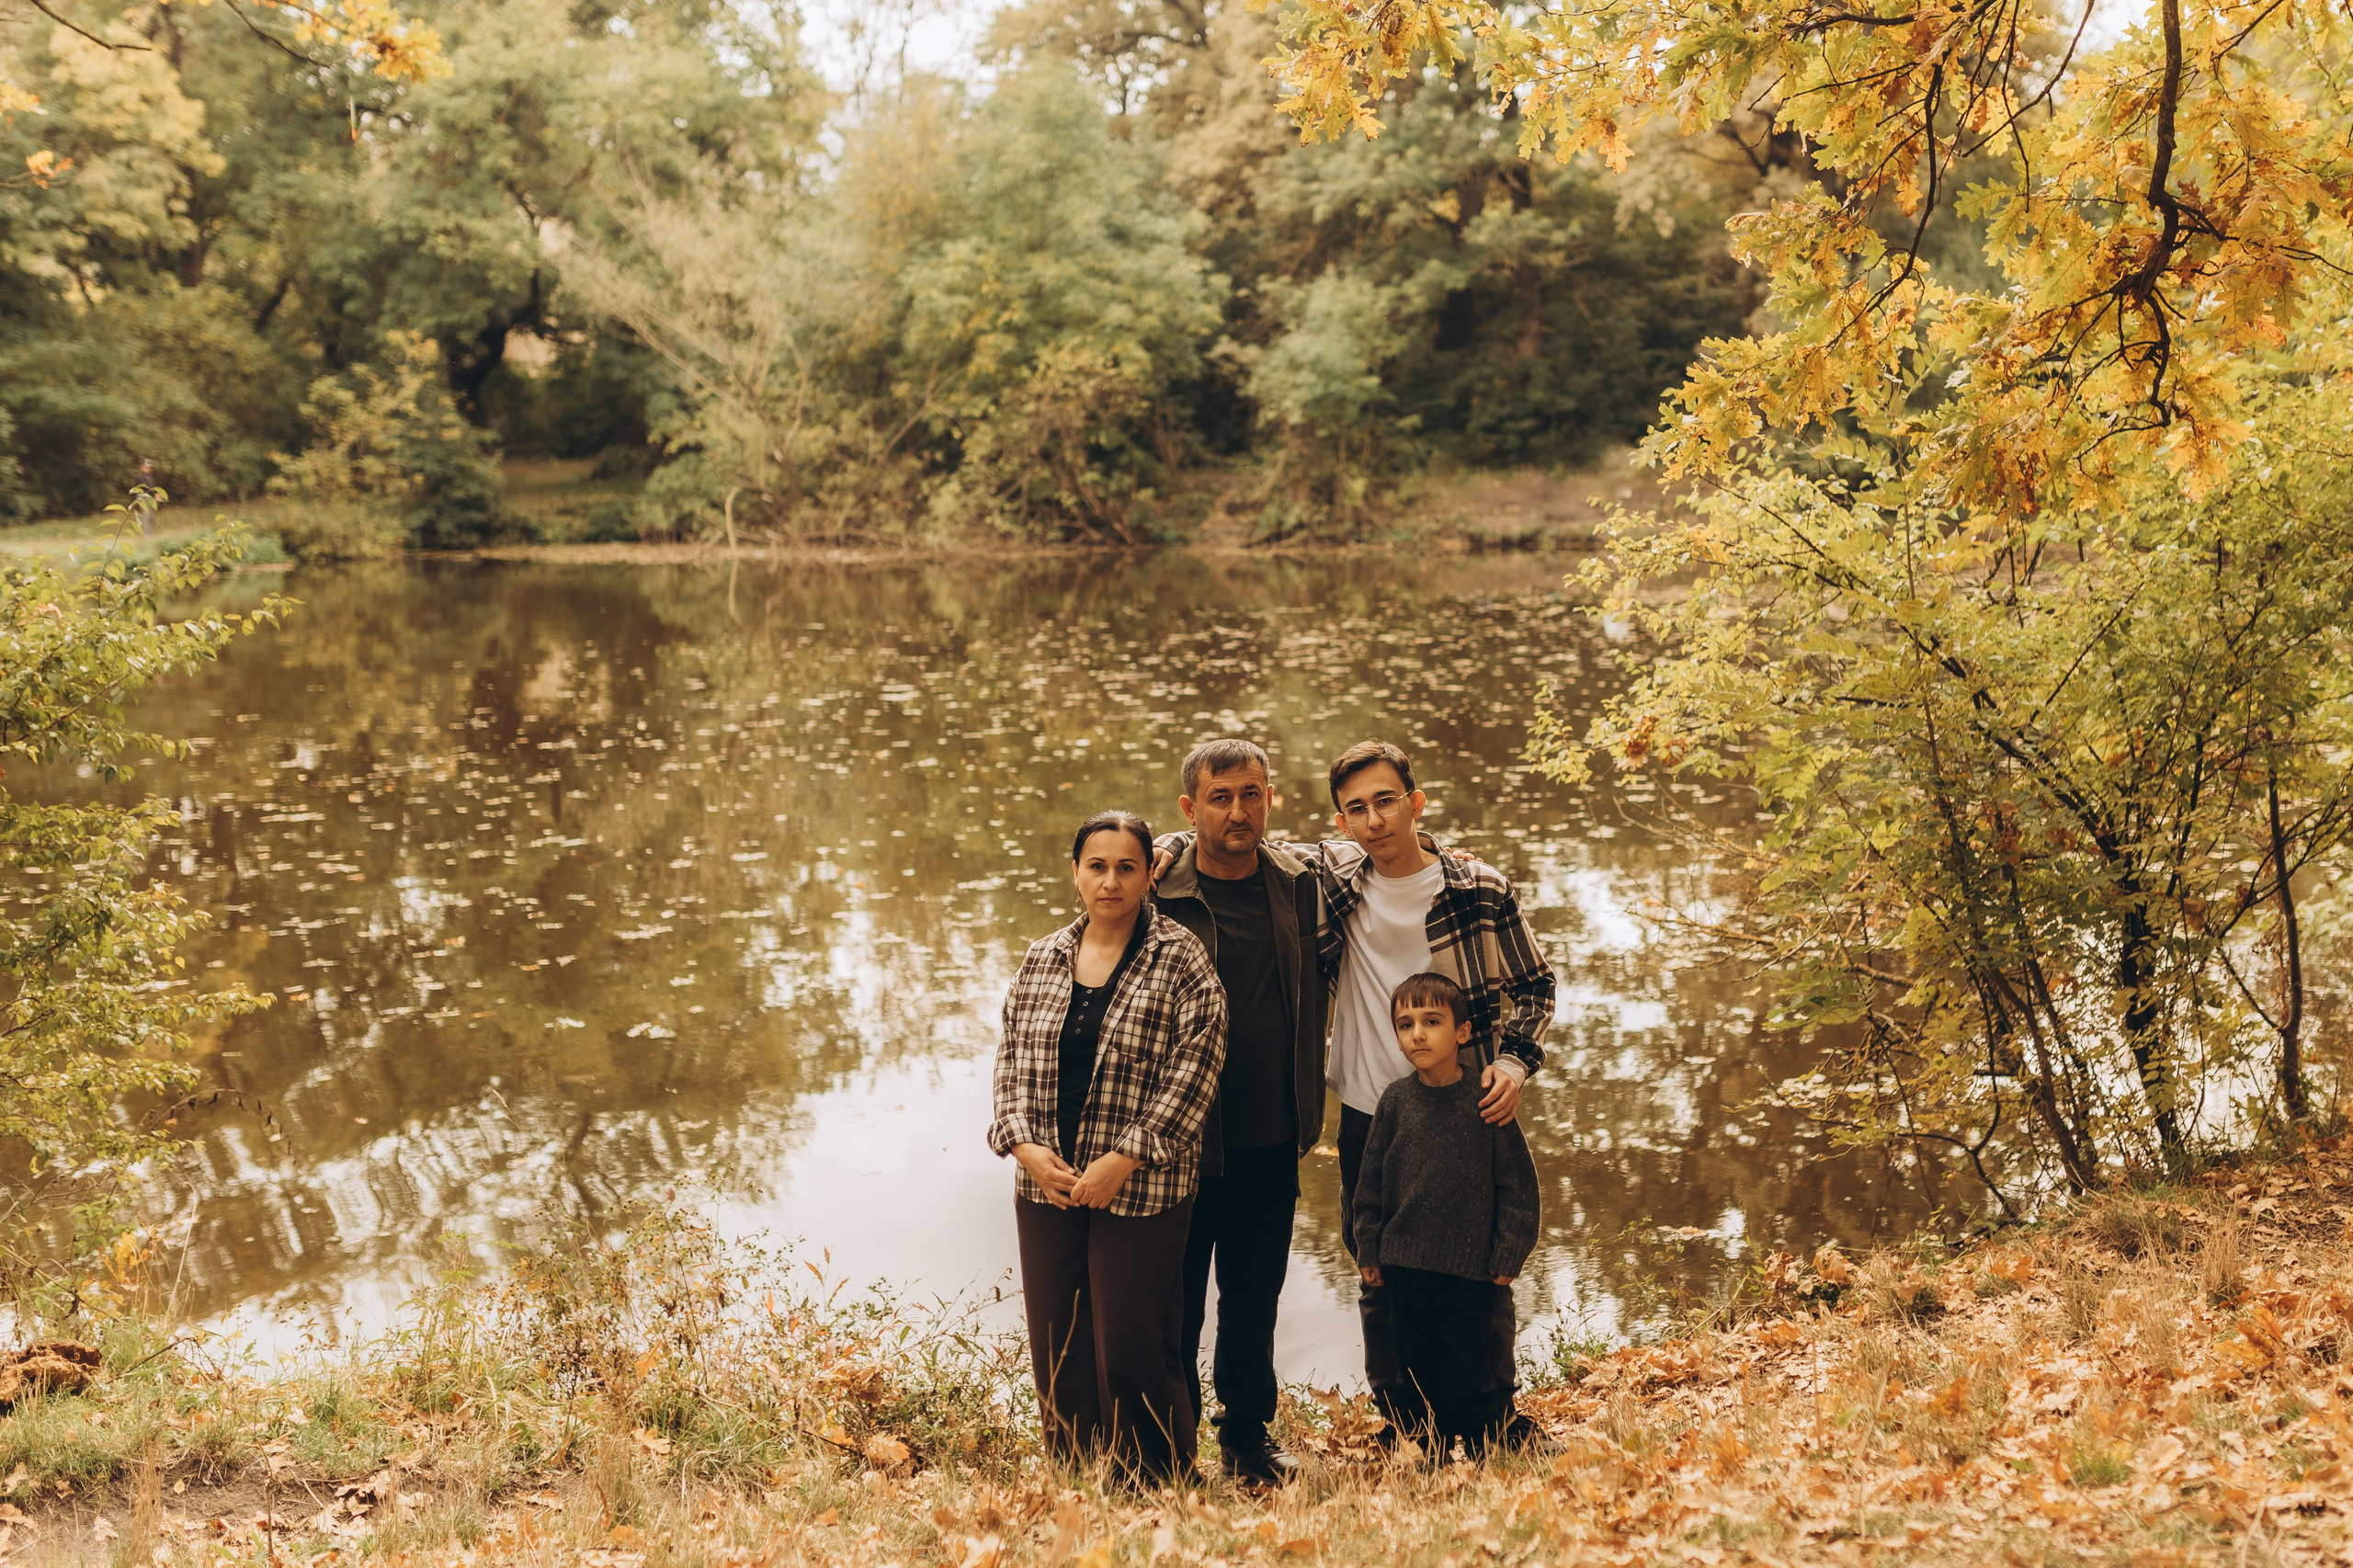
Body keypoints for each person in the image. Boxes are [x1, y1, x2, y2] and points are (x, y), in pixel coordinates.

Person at [1164, 739, 1553, 1443]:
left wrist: (1517, 1065)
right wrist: (1162, 845)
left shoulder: (1478, 889)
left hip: (1466, 1108)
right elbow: (1220, 833)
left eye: (1386, 801)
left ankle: (1491, 1418)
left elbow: (1535, 986)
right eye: (1357, 809)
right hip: (1371, 1109)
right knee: (1378, 1268)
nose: (1374, 820)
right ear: (1340, 823)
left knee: (1480, 1270)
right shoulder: (1333, 877)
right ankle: (1405, 1421)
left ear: (1416, 802)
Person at [987, 810, 1227, 1483]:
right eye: (1097, 866)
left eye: (1127, 867)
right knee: (1058, 1341)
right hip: (1047, 1182)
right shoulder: (1042, 957)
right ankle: (1074, 1469)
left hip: (1141, 1183)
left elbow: (1196, 1072)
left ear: (1150, 874)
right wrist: (1023, 1146)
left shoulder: (1182, 960)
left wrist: (1123, 1159)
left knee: (1131, 1340)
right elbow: (1010, 1062)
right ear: (1076, 873)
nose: (1111, 881)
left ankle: (1154, 1478)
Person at [1151, 739, 1327, 1486]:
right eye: (1219, 798)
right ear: (1190, 810)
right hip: (1181, 1139)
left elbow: (1391, 847)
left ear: (1271, 799)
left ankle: (1247, 1439)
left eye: (1251, 794)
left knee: (1254, 1298)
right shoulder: (1154, 886)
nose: (1237, 811)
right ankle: (1169, 1444)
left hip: (1272, 1131)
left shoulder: (1302, 882)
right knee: (1175, 1302)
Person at [1350, 972, 1540, 1460]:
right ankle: (1425, 1453)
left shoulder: (1485, 1100)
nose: (1417, 1034)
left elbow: (1517, 1187)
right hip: (1403, 1270)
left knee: (1470, 1368)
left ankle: (1483, 1448)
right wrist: (1369, 1248)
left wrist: (1508, 1253)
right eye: (1405, 1024)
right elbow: (1369, 1184)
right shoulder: (1394, 1101)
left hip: (1469, 1271)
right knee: (1413, 1370)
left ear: (1461, 1032)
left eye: (1432, 1022)